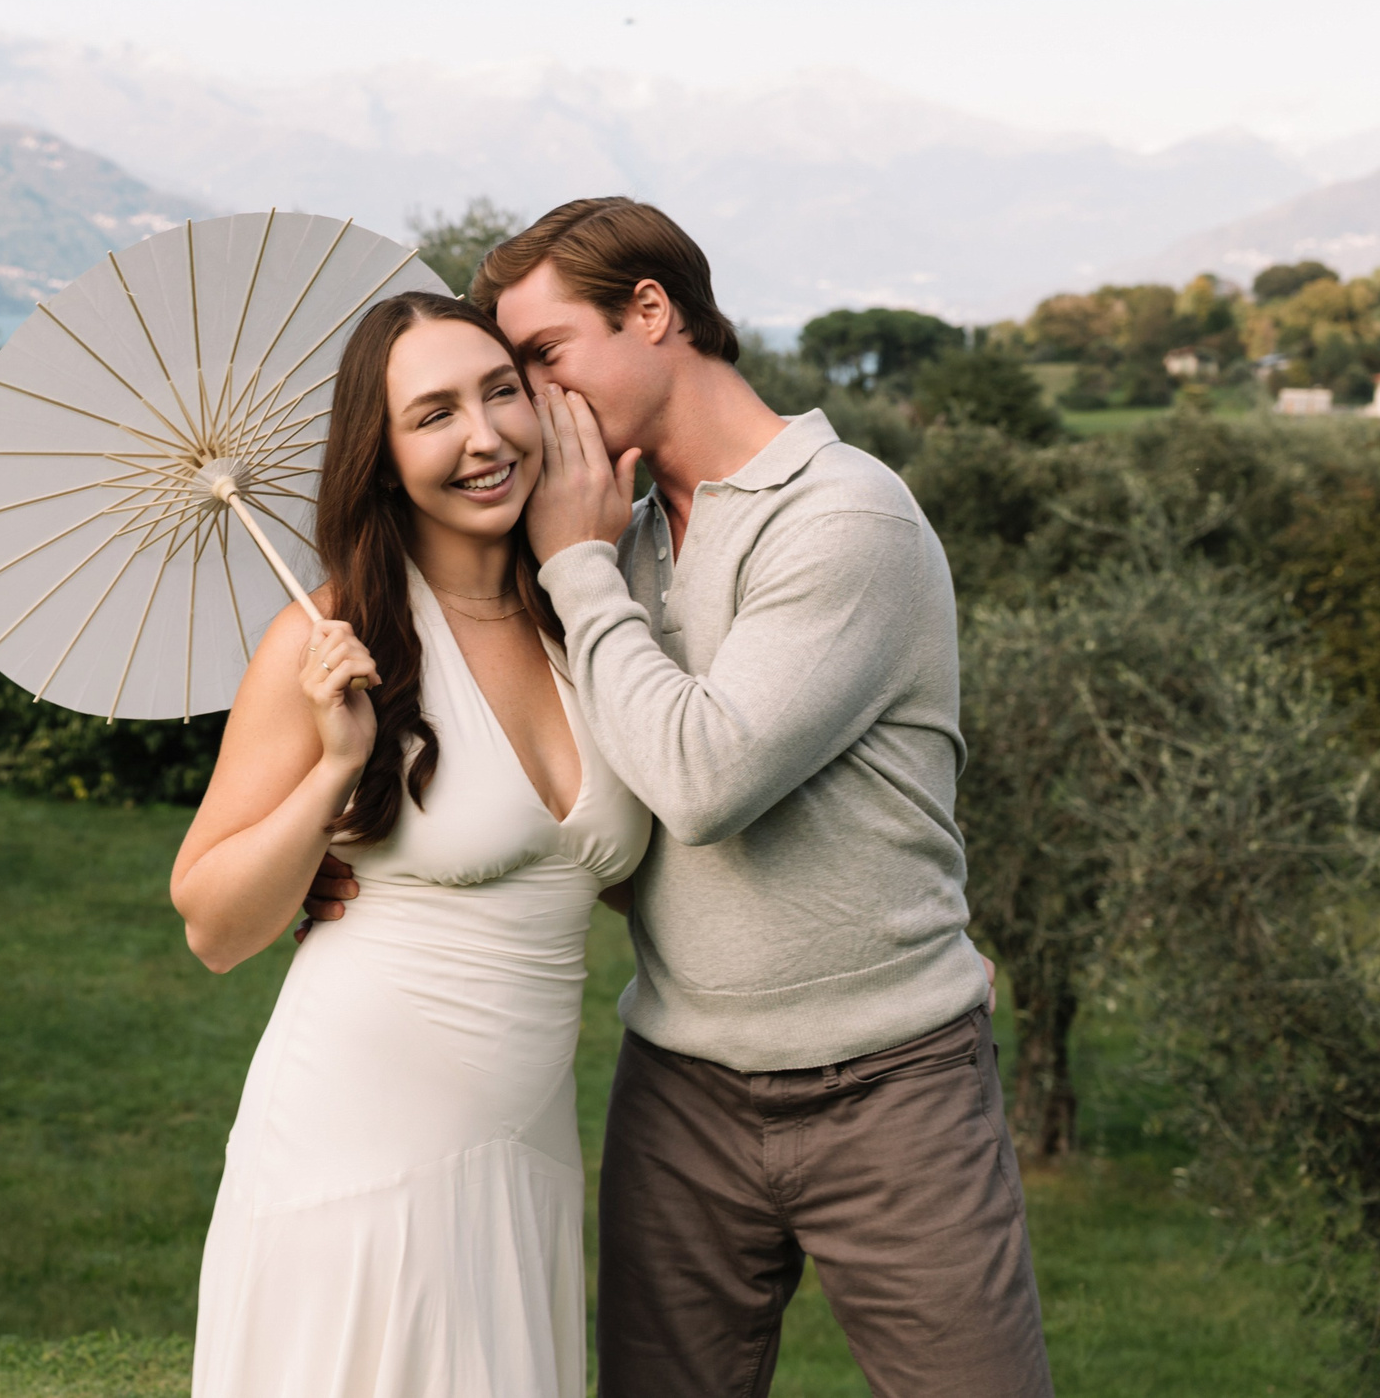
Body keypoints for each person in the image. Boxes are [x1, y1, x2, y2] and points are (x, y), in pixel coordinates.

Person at [302, 197, 1049, 1397]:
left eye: (541, 361)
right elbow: (604, 808)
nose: (528, 409)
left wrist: (574, 564)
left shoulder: (839, 515)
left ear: (652, 313)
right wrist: (383, 870)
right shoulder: (625, 538)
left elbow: (701, 784)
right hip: (681, 1086)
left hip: (890, 1086)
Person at [172, 291, 650, 1398]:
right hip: (357, 1152)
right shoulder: (325, 637)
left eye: (500, 393)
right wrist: (335, 769)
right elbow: (210, 924)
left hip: (524, 1149)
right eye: (433, 414)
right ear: (380, 458)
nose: (483, 436)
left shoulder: (586, 613)